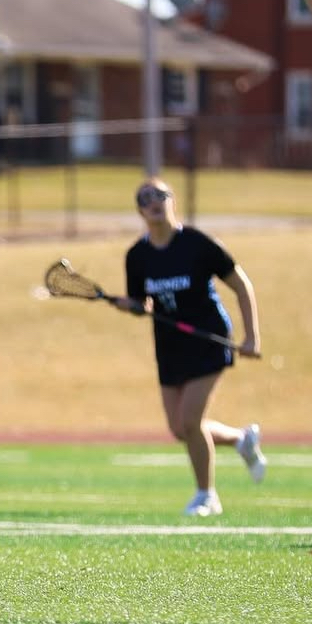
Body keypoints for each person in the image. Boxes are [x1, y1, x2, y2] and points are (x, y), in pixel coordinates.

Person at [114, 177, 267, 517]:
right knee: (180, 428)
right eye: (146, 197)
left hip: (207, 339)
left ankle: (206, 496)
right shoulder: (137, 256)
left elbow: (241, 284)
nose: (154, 201)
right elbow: (144, 304)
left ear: (172, 201)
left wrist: (251, 336)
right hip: (169, 346)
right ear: (140, 210)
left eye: (160, 195)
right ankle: (242, 440)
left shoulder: (197, 244)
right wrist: (133, 306)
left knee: (190, 419)